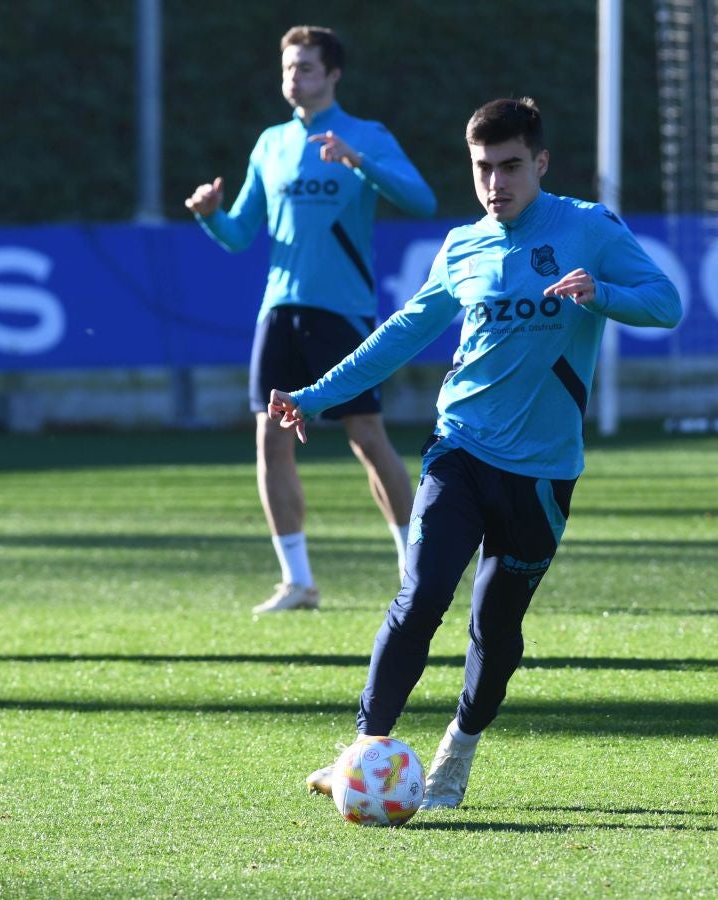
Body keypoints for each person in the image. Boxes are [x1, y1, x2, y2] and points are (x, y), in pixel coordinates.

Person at [275, 98, 682, 808]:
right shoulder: (463, 246)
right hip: (459, 449)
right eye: (483, 168)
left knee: (495, 628)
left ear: (541, 163)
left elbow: (666, 302)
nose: (496, 183)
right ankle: (366, 749)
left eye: (511, 166)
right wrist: (315, 395)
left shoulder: (589, 228)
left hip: (543, 473)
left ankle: (458, 749)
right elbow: (403, 332)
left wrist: (603, 294)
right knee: (421, 595)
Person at [184, 25, 436, 614]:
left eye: (305, 67)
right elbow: (239, 233)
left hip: (343, 311)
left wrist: (359, 162)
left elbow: (421, 200)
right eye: (287, 68)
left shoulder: (366, 136)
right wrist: (209, 215)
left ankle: (415, 568)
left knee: (366, 435)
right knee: (270, 438)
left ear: (333, 74)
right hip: (279, 309)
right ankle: (297, 582)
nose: (293, 78)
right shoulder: (270, 143)